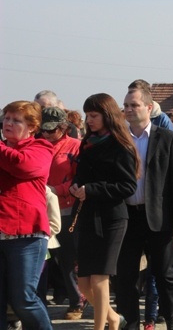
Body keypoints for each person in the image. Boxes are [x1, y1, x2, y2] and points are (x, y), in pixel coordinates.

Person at [116, 87, 173, 330]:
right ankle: (130, 322)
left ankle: (172, 319)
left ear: (149, 108)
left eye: (134, 105)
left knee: (164, 273)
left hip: (158, 216)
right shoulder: (118, 139)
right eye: (125, 105)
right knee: (126, 274)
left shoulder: (167, 138)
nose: (128, 109)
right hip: (127, 217)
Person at [70, 93, 138, 330]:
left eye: (94, 115)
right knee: (84, 282)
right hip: (88, 216)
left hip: (112, 219)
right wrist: (76, 185)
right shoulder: (87, 143)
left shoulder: (121, 145)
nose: (89, 120)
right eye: (87, 115)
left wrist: (92, 189)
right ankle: (113, 317)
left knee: (100, 278)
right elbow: (81, 174)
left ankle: (103, 327)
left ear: (107, 115)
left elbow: (128, 186)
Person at [0, 100, 54, 330]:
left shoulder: (41, 148)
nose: (8, 123)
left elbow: (22, 166)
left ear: (32, 127)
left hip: (27, 235)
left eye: (16, 120)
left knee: (24, 299)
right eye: (6, 118)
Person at [40, 106, 85, 320]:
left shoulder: (76, 147)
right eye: (44, 130)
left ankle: (77, 299)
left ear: (63, 128)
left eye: (52, 130)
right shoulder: (37, 145)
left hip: (66, 207)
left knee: (68, 257)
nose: (47, 135)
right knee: (49, 257)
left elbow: (80, 178)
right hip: (41, 207)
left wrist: (57, 190)